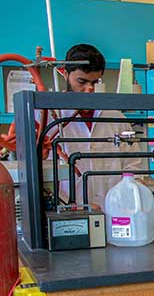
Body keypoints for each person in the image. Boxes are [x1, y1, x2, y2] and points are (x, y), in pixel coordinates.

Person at [47, 43, 144, 208]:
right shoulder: (48, 117)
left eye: (95, 82)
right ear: (65, 74)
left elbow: (134, 166)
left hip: (113, 214)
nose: (89, 89)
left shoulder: (117, 118)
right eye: (82, 82)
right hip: (66, 214)